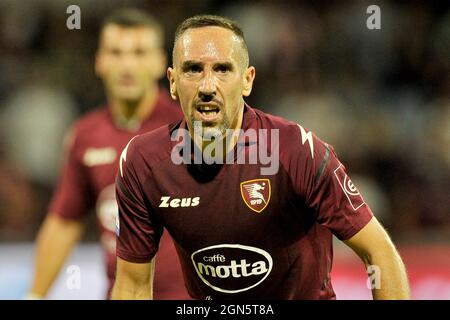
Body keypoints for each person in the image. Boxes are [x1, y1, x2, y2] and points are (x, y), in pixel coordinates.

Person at [112, 15, 410, 300]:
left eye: (222, 69)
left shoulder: (295, 151)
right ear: (173, 82)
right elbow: (132, 286)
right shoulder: (143, 163)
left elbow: (379, 253)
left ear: (247, 80)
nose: (207, 86)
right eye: (193, 69)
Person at [27, 8, 189, 299]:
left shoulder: (189, 130)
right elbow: (64, 222)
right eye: (116, 52)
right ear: (99, 62)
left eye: (139, 53)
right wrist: (35, 295)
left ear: (160, 64)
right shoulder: (85, 135)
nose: (127, 65)